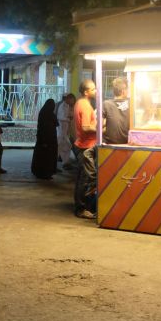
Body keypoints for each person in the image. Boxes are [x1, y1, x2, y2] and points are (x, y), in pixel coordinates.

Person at [73, 79, 97, 219]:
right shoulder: (85, 106)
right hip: (85, 147)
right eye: (93, 89)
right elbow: (86, 127)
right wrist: (101, 129)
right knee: (87, 178)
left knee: (82, 178)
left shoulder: (80, 103)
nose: (96, 91)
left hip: (82, 144)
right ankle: (82, 209)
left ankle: (80, 206)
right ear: (86, 92)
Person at [31, 99, 59, 180]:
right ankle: (45, 173)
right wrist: (44, 141)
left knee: (45, 157)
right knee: (46, 157)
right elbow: (53, 124)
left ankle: (45, 172)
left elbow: (55, 124)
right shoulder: (48, 114)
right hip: (47, 140)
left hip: (47, 140)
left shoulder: (44, 113)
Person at [103, 77, 129, 144]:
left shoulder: (106, 104)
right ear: (123, 91)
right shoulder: (131, 104)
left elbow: (98, 126)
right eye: (127, 89)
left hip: (110, 145)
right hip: (127, 143)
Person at [56, 93, 76, 169]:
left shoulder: (67, 106)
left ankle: (65, 163)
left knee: (67, 147)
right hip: (61, 132)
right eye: (71, 99)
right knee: (60, 147)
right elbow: (60, 117)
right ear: (67, 99)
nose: (72, 101)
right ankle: (57, 165)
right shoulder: (62, 106)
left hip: (65, 132)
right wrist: (69, 118)